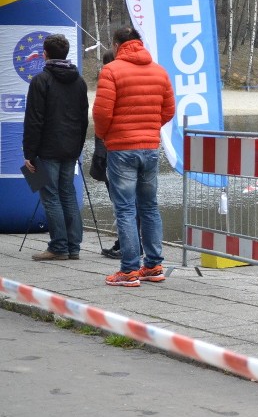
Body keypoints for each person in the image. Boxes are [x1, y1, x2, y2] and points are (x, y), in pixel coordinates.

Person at [92, 26, 175, 287]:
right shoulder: (159, 71)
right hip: (149, 148)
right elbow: (168, 110)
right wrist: (149, 128)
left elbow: (101, 114)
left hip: (121, 148)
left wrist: (106, 136)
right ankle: (153, 265)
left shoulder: (111, 70)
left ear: (117, 45)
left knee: (126, 209)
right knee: (149, 207)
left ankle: (129, 269)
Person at [23, 33, 89, 261]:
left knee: (50, 196)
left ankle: (59, 246)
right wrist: (78, 146)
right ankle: (74, 247)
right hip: (70, 148)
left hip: (48, 148)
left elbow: (34, 119)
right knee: (67, 193)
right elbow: (83, 119)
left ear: (45, 54)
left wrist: (29, 154)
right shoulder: (79, 81)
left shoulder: (41, 80)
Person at [90, 50, 121, 259]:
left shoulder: (110, 80)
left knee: (121, 202)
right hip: (144, 148)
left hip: (115, 150)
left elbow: (102, 118)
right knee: (141, 203)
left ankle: (126, 244)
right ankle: (145, 247)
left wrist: (100, 156)